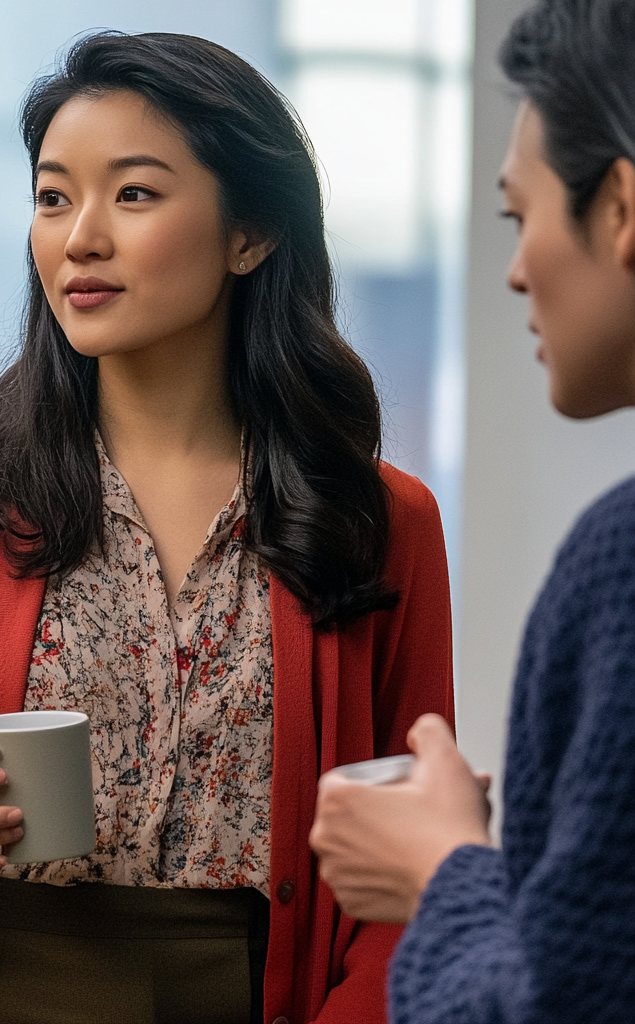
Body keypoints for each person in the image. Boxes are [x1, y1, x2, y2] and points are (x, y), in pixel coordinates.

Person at [0, 30, 454, 1024]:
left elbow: (414, 843)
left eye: (136, 193)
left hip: (253, 988)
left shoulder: (378, 520)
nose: (80, 237)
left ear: (250, 234)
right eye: (53, 195)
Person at [309, 2, 635, 1022]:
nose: (513, 267)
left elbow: (563, 998)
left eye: (516, 213)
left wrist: (442, 865)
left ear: (620, 211)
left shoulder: (616, 561)